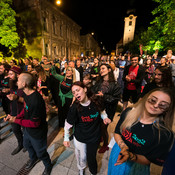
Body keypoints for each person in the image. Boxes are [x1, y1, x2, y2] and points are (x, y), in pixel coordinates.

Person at [108, 88, 174, 175]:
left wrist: (131, 156)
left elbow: (149, 159)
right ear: (146, 98)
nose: (155, 105)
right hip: (118, 153)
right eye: (153, 100)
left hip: (137, 166)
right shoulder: (128, 113)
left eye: (162, 105)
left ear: (167, 109)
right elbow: (117, 133)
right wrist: (123, 146)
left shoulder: (164, 134)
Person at [4, 72, 52, 175]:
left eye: (19, 80)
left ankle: (48, 165)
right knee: (27, 145)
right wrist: (16, 116)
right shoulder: (26, 94)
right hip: (28, 129)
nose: (17, 81)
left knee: (41, 152)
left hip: (37, 132)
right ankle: (33, 159)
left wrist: (15, 120)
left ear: (24, 84)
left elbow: (34, 123)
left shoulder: (36, 100)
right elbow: (25, 108)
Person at [63, 81, 111, 175]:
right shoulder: (75, 107)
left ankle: (93, 172)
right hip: (81, 137)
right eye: (73, 92)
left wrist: (105, 117)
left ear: (85, 89)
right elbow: (68, 124)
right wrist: (66, 138)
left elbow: (102, 111)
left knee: (91, 157)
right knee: (82, 157)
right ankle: (81, 169)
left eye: (78, 90)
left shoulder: (96, 101)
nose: (76, 93)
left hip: (94, 137)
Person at [92, 64, 121, 153]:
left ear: (109, 70)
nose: (101, 70)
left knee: (103, 127)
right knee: (98, 126)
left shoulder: (115, 84)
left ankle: (105, 145)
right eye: (100, 69)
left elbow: (115, 99)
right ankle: (100, 138)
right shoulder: (98, 82)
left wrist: (103, 96)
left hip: (108, 110)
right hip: (98, 108)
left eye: (103, 68)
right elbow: (93, 91)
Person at [6, 66, 24, 155]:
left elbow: (27, 101)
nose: (9, 76)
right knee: (15, 129)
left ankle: (28, 145)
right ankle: (21, 144)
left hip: (23, 112)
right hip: (14, 111)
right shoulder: (12, 84)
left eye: (11, 74)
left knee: (26, 130)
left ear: (17, 75)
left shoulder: (23, 84)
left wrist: (16, 97)